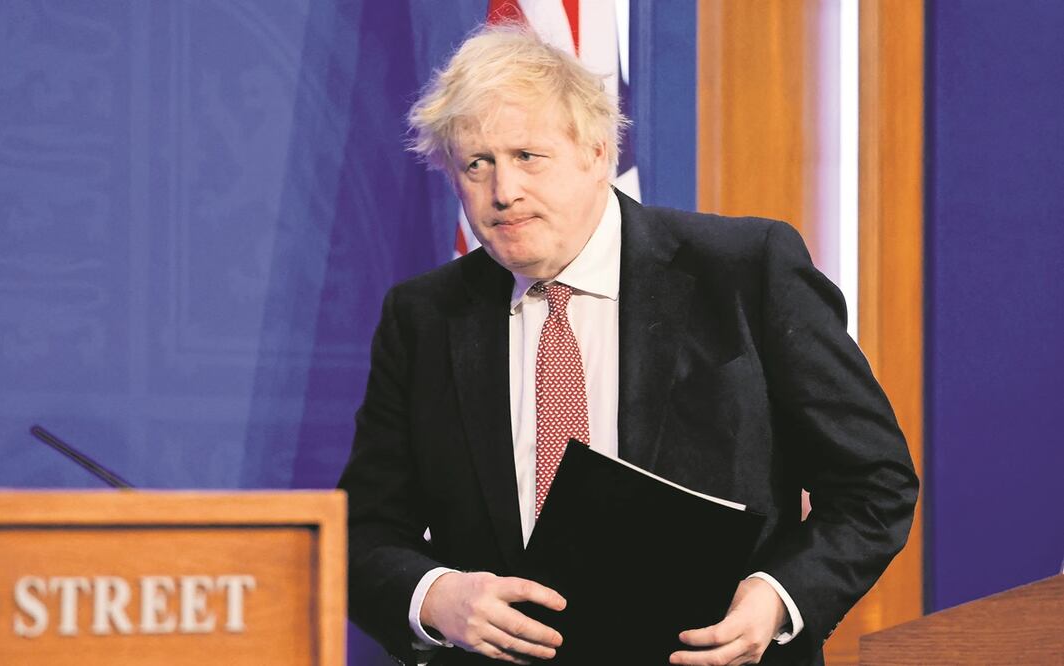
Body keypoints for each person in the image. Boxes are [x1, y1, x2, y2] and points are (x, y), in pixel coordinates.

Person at [339, 24, 917, 666]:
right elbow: (362, 532)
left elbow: (874, 484)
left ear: (595, 151)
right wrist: (436, 597)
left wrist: (778, 596)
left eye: (528, 156)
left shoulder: (746, 271)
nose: (503, 192)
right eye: (477, 164)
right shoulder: (424, 317)